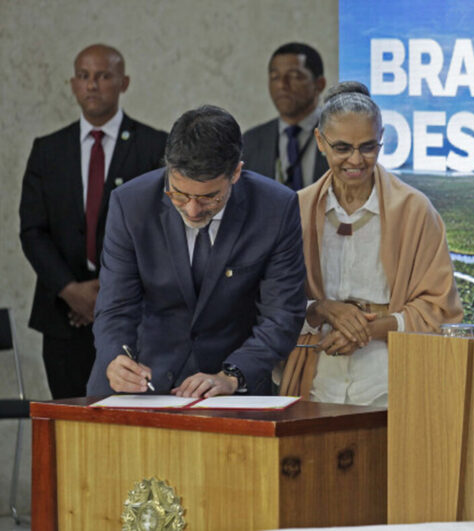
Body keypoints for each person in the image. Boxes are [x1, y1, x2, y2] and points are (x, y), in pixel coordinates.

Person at [86, 105, 306, 397]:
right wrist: (116, 357)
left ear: (236, 172)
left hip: (228, 386)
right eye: (179, 193)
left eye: (209, 197)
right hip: (140, 384)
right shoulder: (131, 204)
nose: (192, 209)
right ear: (168, 168)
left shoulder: (275, 208)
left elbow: (282, 314)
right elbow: (115, 306)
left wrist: (233, 375)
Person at [279, 82, 463, 406]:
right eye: (342, 148)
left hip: (391, 386)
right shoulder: (296, 209)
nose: (356, 160)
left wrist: (369, 329)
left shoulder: (415, 210)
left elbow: (439, 311)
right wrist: (320, 309)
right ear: (320, 141)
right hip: (316, 383)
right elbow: (273, 303)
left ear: (381, 140)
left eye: (367, 147)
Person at [19, 44, 167, 399]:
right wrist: (72, 291)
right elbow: (33, 231)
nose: (92, 85)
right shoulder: (47, 149)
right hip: (62, 316)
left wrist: (107, 293)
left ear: (124, 82)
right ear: (72, 84)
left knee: (127, 427)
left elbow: (161, 231)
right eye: (84, 76)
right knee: (71, 424)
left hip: (134, 316)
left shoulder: (155, 146)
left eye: (103, 76)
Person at [243, 42, 329, 189]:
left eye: (295, 76)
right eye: (275, 77)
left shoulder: (339, 135)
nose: (282, 85)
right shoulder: (251, 141)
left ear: (319, 84)